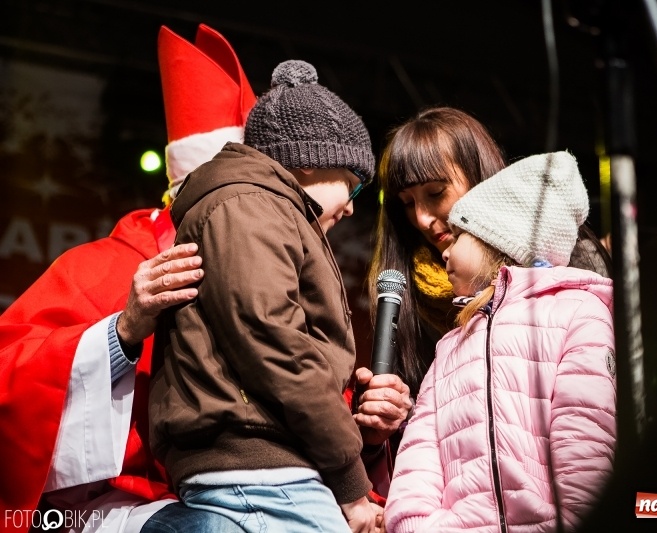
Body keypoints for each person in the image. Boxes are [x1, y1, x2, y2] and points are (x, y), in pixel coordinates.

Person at [0, 23, 258, 532]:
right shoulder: (98, 266)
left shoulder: (267, 271)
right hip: (106, 508)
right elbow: (11, 376)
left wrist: (362, 419)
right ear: (184, 197)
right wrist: (122, 332)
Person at [148, 59, 382, 533]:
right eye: (353, 183)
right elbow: (276, 344)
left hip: (265, 471)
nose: (354, 205)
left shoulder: (255, 208)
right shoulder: (248, 207)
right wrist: (352, 484)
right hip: (262, 475)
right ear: (310, 159)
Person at [383, 151, 617, 532]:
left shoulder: (579, 314)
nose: (443, 249)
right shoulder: (452, 344)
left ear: (498, 237)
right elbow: (418, 457)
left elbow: (585, 445)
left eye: (458, 236)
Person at [367, 106, 612, 405]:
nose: (421, 219)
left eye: (435, 193)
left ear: (479, 177)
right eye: (407, 203)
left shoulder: (575, 269)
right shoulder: (403, 292)